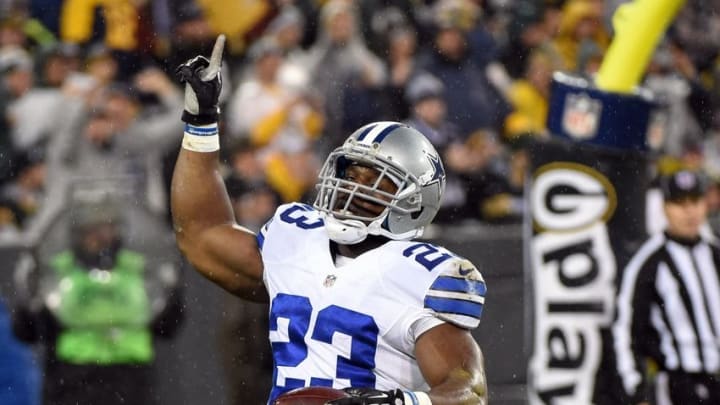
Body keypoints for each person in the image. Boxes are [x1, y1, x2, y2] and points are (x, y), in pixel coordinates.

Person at [172, 36, 488, 405]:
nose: (352, 188)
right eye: (349, 175)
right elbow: (200, 232)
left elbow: (470, 391)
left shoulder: (422, 275)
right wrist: (200, 123)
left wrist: (397, 402)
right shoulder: (297, 238)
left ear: (413, 202)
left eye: (373, 181)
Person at [12, 191, 183, 405]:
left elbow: (168, 326)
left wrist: (173, 290)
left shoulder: (139, 270)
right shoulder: (56, 271)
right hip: (72, 380)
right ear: (78, 232)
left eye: (108, 227)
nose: (101, 236)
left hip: (130, 381)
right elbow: (26, 330)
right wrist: (28, 294)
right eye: (93, 230)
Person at [613, 170, 720, 405]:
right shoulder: (649, 263)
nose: (689, 211)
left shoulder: (715, 254)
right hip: (679, 384)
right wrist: (636, 391)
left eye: (695, 201)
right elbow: (625, 330)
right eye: (680, 203)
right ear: (664, 208)